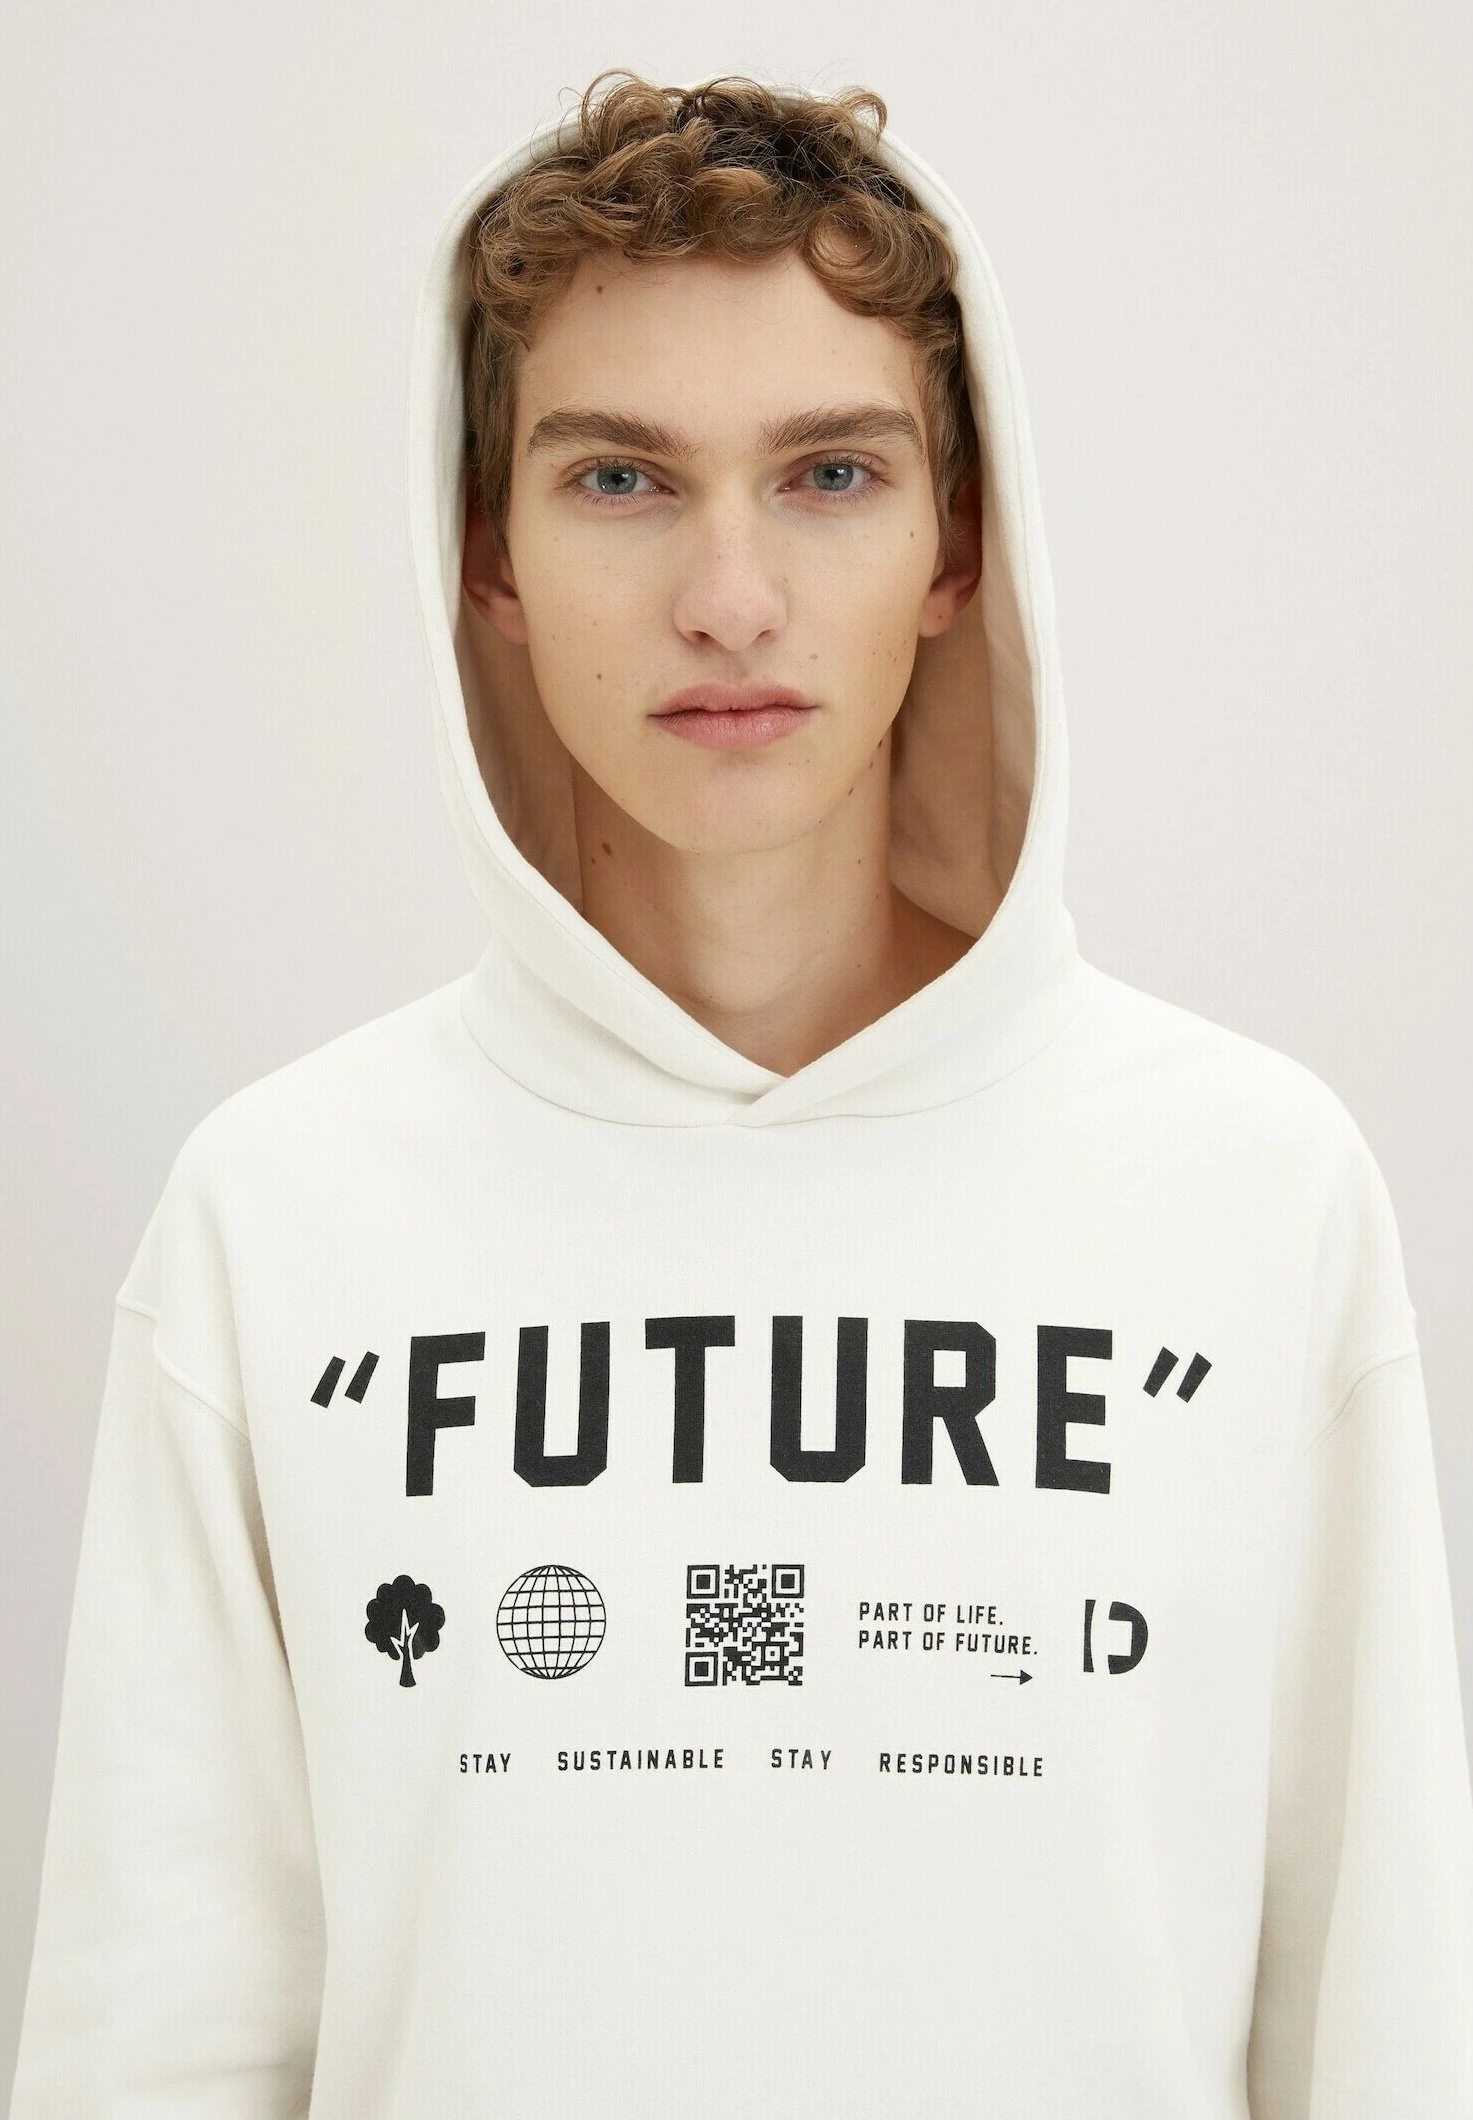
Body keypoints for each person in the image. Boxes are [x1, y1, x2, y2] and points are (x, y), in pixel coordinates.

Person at [10, 66, 1472, 2119]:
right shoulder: (280, 1219)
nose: (730, 596)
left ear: (957, 542)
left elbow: (1386, 2028)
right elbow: (155, 2051)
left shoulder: (1252, 1195)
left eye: (830, 474)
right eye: (620, 478)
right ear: (489, 557)